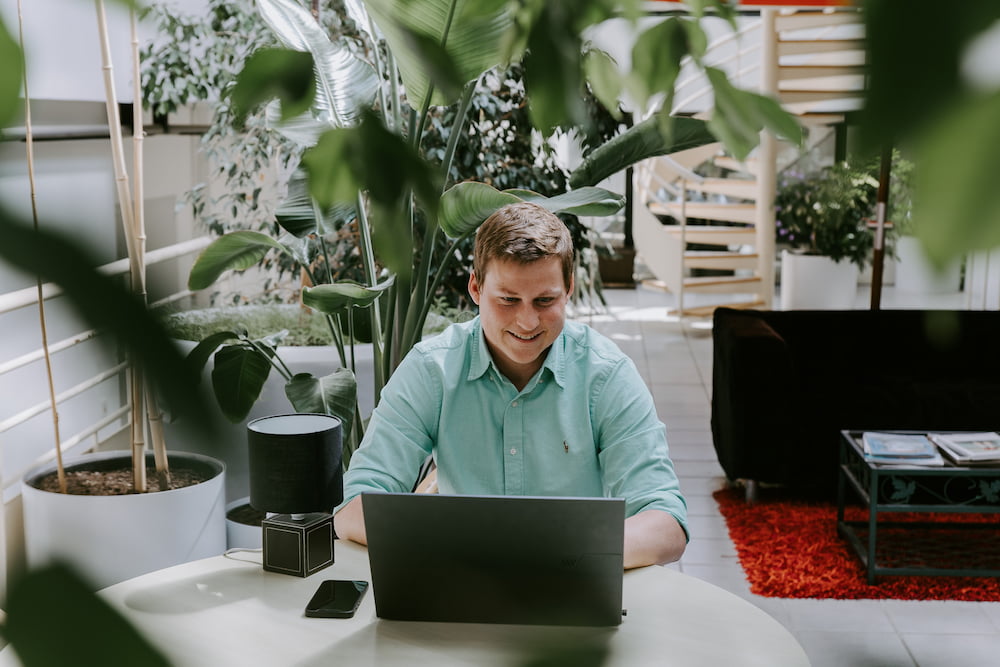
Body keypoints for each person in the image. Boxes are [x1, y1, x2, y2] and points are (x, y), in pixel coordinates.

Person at [333, 202, 688, 568]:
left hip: (575, 585)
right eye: (508, 299)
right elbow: (353, 504)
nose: (527, 320)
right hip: (462, 582)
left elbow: (666, 521)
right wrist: (456, 544)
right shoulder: (432, 369)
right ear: (476, 287)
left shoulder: (607, 374)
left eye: (545, 300)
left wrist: (567, 551)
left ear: (568, 289)